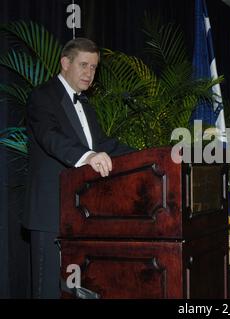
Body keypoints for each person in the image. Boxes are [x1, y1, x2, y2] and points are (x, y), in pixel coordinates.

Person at [24, 38, 134, 298]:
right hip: (50, 212)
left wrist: (151, 153)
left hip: (82, 212)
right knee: (48, 289)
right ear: (65, 63)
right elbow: (50, 137)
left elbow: (102, 143)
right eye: (84, 65)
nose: (89, 73)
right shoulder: (42, 96)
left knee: (76, 290)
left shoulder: (85, 103)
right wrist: (87, 156)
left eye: (94, 67)